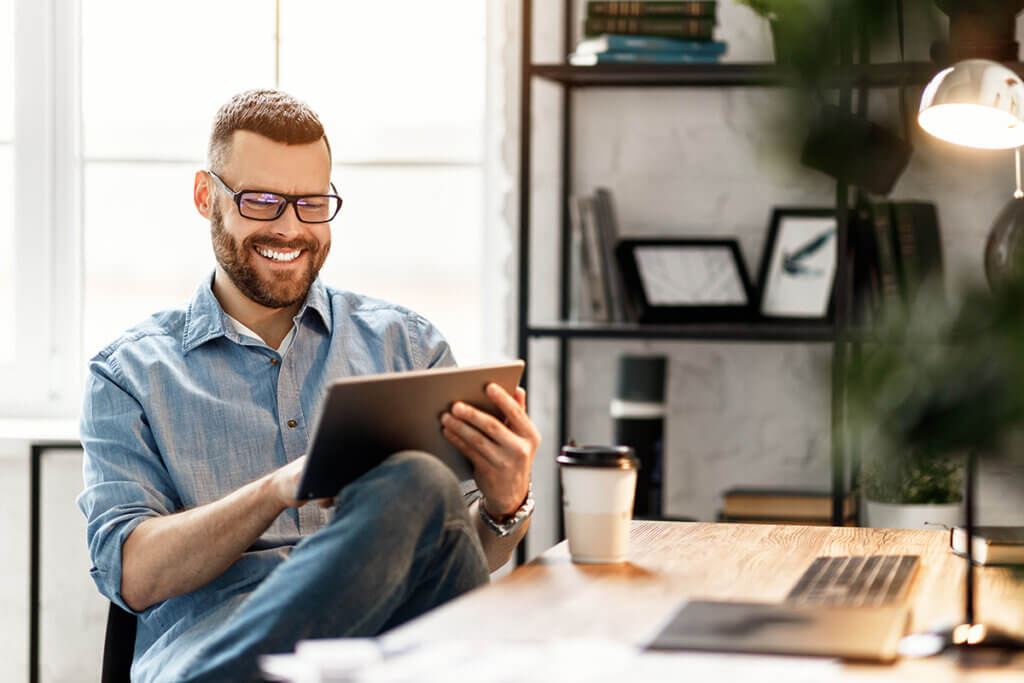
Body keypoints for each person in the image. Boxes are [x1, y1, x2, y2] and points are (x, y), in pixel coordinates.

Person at [77, 89, 541, 683]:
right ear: (205, 196)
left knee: (424, 496)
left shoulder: (408, 347)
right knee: (419, 479)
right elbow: (132, 575)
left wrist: (504, 505)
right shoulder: (129, 375)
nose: (291, 228)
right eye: (262, 201)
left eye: (311, 203)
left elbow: (452, 565)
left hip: (383, 654)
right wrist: (276, 489)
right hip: (220, 653)